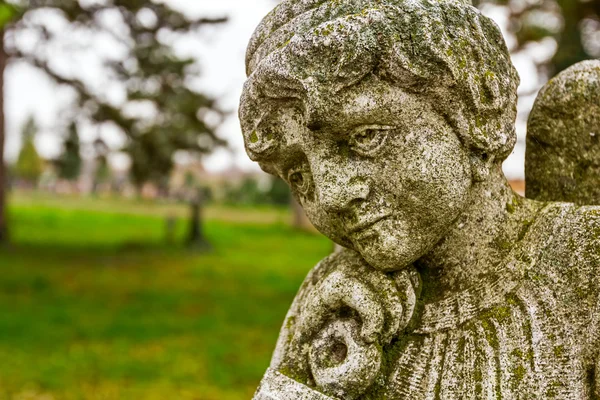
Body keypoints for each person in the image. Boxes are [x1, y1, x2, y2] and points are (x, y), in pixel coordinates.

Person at [239, 0, 600, 398]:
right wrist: (306, 369)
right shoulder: (332, 293)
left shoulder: (584, 262)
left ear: (475, 113)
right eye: (299, 174)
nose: (331, 195)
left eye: (366, 137)